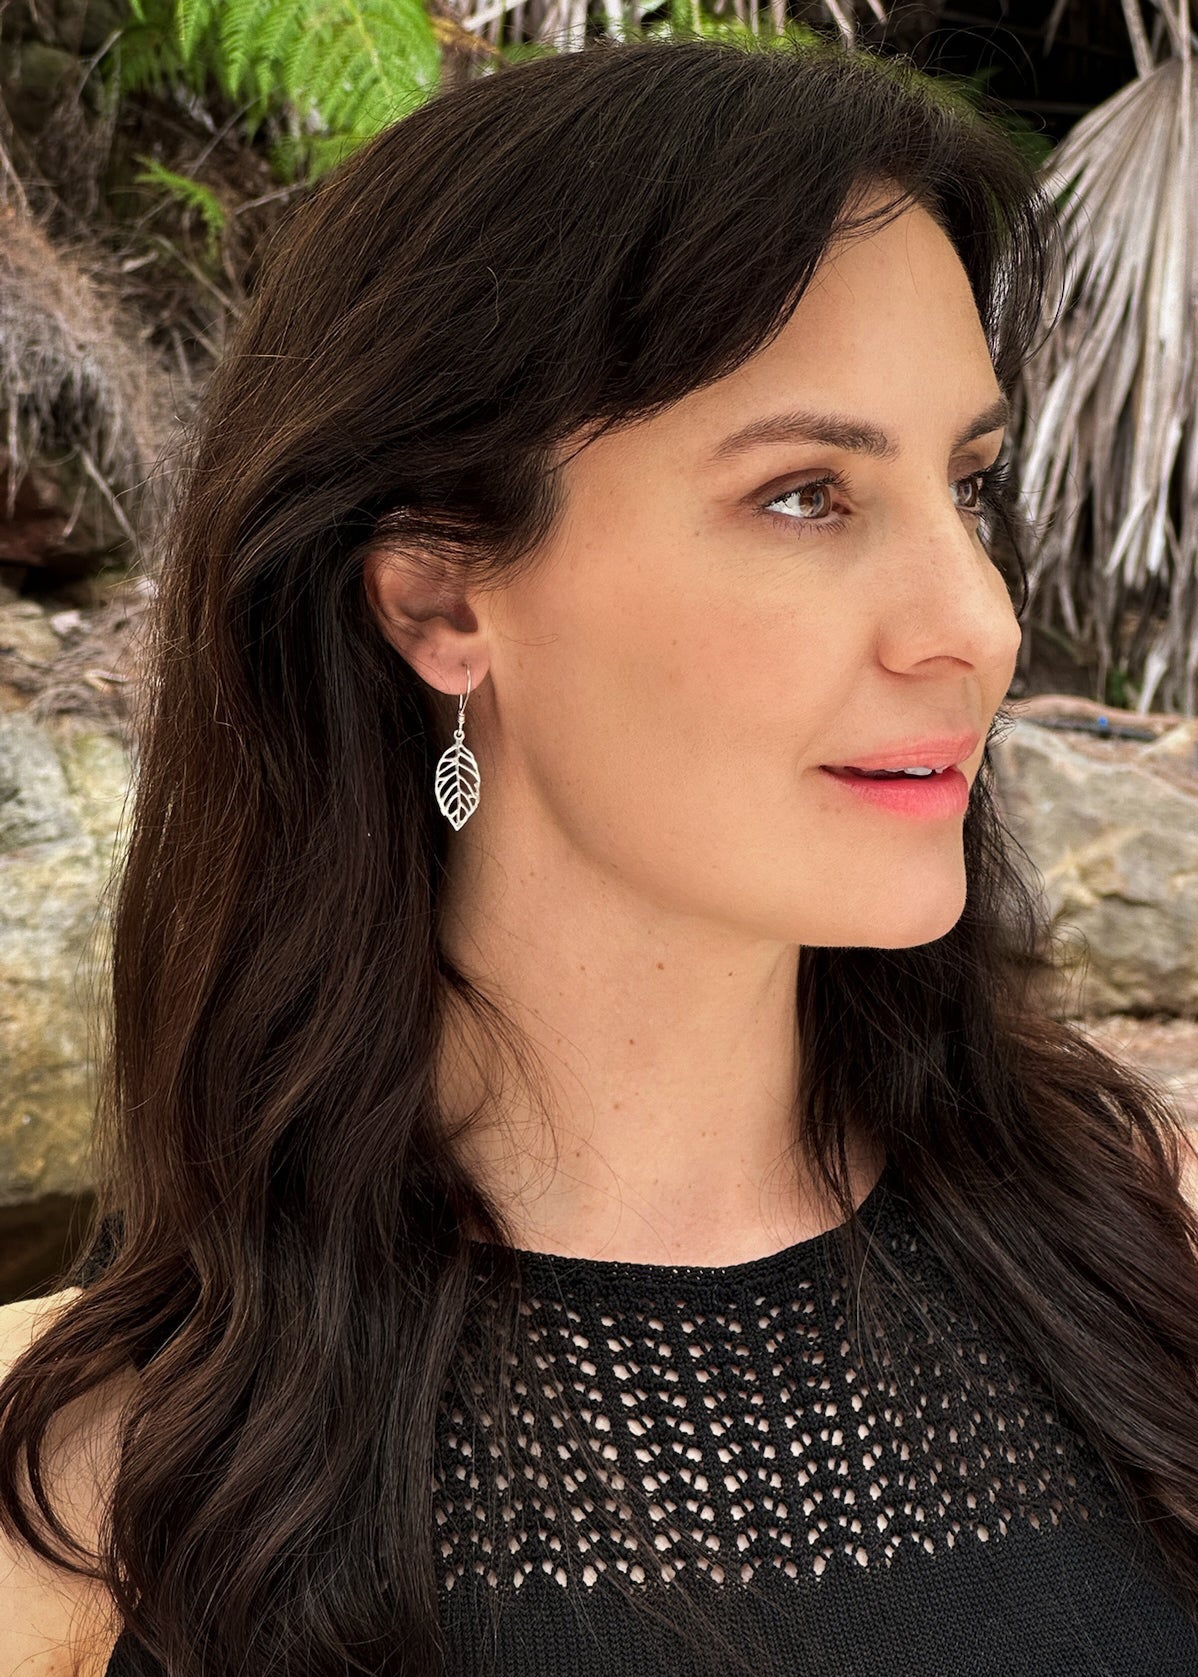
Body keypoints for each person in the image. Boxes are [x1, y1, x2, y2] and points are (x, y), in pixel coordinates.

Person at [0, 32, 1195, 1677]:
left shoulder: (1150, 1263)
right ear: (438, 594)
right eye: (804, 494)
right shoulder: (97, 1492)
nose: (976, 624)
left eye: (965, 485)